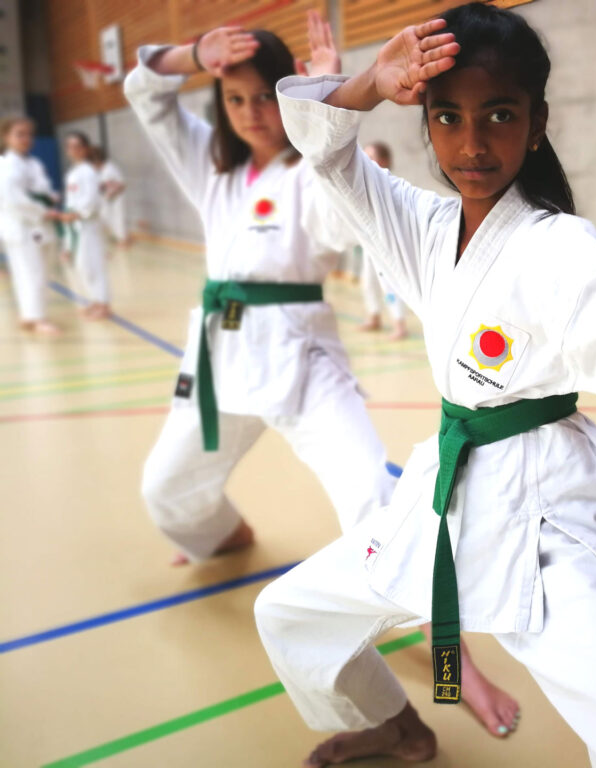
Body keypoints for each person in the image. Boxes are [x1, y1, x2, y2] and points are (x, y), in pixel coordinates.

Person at [255, 5, 596, 767]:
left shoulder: (557, 252)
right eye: (447, 116)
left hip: (550, 529)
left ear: (536, 121)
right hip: (444, 507)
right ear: (426, 119)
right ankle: (394, 724)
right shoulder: (423, 226)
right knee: (289, 613)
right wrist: (366, 84)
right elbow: (327, 155)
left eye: (499, 114)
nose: (472, 142)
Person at [122, 24, 520, 738]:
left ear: (289, 98)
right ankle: (224, 534)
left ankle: (450, 655)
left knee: (373, 497)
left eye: (267, 99)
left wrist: (329, 117)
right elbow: (146, 93)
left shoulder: (309, 169)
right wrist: (191, 56)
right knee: (164, 490)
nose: (251, 113)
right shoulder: (211, 169)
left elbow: (345, 213)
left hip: (302, 362)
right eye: (235, 99)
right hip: (221, 357)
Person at [0, 117, 62, 335]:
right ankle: (37, 318)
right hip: (22, 227)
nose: (26, 139)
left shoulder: (33, 163)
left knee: (36, 272)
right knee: (31, 272)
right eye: (19, 134)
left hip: (38, 225)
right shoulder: (5, 165)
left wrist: (52, 197)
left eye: (29, 134)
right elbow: (14, 200)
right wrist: (45, 210)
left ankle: (28, 315)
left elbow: (43, 190)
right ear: (6, 137)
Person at [357, 141, 408, 340]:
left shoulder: (390, 184)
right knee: (367, 282)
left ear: (384, 161)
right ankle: (374, 316)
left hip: (385, 242)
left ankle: (399, 324)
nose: (366, 161)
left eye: (371, 157)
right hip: (367, 241)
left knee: (388, 284)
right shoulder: (362, 183)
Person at [62, 131, 111, 319]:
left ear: (86, 149)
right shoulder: (73, 173)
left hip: (88, 224)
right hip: (76, 225)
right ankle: (95, 300)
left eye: (77, 146)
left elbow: (92, 199)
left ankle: (104, 304)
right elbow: (72, 200)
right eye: (69, 147)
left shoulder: (89, 172)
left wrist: (76, 214)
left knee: (94, 265)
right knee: (83, 266)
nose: (73, 150)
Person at [92, 146, 130, 247]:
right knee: (106, 217)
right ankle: (116, 237)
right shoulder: (98, 171)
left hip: (117, 198)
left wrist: (113, 192)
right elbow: (101, 185)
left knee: (118, 218)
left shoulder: (111, 168)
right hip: (106, 199)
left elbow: (122, 184)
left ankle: (123, 240)